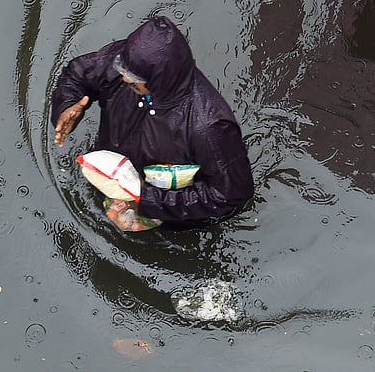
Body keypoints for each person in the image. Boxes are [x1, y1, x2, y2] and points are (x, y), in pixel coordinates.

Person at [51, 15, 254, 229]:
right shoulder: (126, 62)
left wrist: (148, 201)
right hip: (114, 174)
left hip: (169, 211)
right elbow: (77, 73)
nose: (125, 78)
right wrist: (67, 104)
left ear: (159, 79)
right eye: (124, 71)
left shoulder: (209, 127)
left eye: (135, 78)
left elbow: (230, 195)